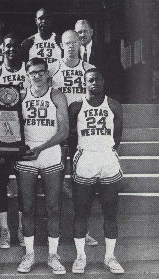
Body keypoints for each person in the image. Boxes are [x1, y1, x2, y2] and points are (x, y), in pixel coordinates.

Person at [15, 58, 69, 274]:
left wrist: (41, 147)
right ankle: (29, 254)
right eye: (32, 73)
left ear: (48, 74)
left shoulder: (56, 95)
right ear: (27, 76)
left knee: (53, 207)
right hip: (27, 155)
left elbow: (64, 131)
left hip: (49, 152)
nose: (36, 76)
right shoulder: (20, 96)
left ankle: (53, 255)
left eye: (40, 72)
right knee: (27, 207)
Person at [68, 68, 124, 274]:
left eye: (98, 80)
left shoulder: (114, 105)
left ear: (103, 82)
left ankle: (110, 257)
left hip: (107, 158)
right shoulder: (76, 107)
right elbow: (72, 139)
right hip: (85, 159)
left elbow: (117, 137)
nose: (95, 83)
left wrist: (106, 151)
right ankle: (80, 257)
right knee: (81, 212)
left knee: (110, 212)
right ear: (85, 83)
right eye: (90, 80)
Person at [51, 30, 98, 246]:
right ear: (61, 45)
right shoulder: (52, 69)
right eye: (67, 43)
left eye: (74, 42)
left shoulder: (89, 70)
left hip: (81, 130)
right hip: (59, 130)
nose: (71, 46)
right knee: (56, 181)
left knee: (82, 181)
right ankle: (56, 230)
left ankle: (83, 230)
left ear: (81, 43)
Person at [0, 33, 29, 248]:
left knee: (23, 186)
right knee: (1, 183)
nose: (12, 49)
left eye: (15, 46)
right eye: (8, 46)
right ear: (2, 49)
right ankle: (4, 231)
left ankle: (22, 229)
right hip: (3, 136)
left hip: (25, 135)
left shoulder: (28, 72)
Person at [74, 20, 125, 102]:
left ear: (91, 32)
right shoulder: (71, 53)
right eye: (79, 32)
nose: (83, 35)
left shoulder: (106, 50)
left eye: (85, 31)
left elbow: (118, 76)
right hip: (78, 99)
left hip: (102, 99)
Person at [21, 8, 62, 74]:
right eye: (41, 18)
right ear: (36, 21)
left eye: (47, 18)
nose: (44, 21)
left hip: (57, 80)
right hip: (37, 80)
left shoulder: (60, 41)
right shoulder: (28, 43)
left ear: (51, 20)